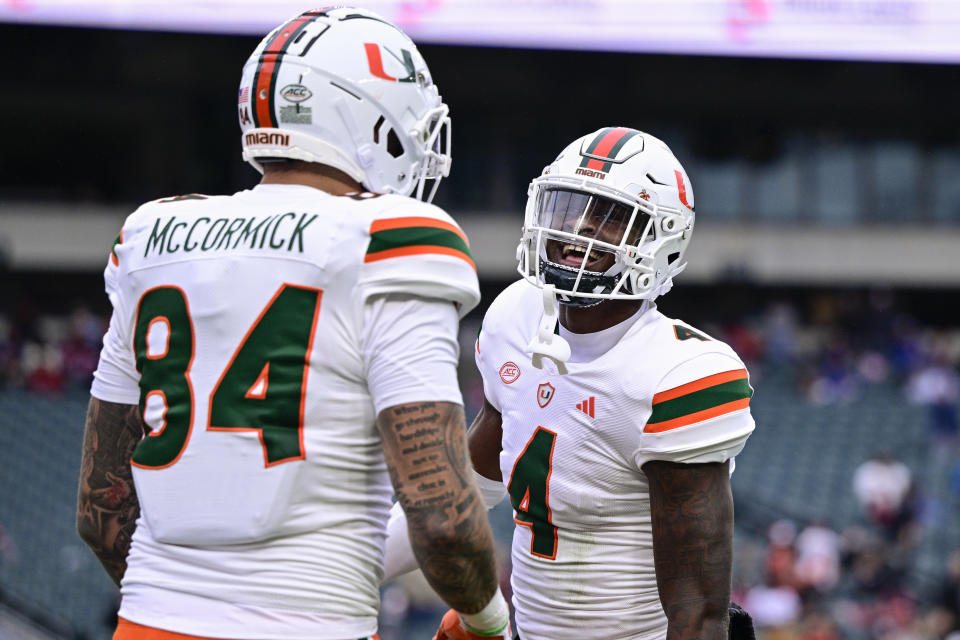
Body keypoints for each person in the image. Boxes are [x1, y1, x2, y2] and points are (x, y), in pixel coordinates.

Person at [76, 7, 509, 639]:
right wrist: (487, 621)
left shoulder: (150, 234)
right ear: (367, 117)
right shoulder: (392, 237)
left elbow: (102, 511)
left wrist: (193, 604)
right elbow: (442, 517)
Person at [383, 127, 757, 639]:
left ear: (659, 238)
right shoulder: (515, 315)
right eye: (568, 207)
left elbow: (697, 613)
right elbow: (467, 491)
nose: (578, 227)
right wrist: (355, 573)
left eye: (607, 216)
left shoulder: (677, 372)